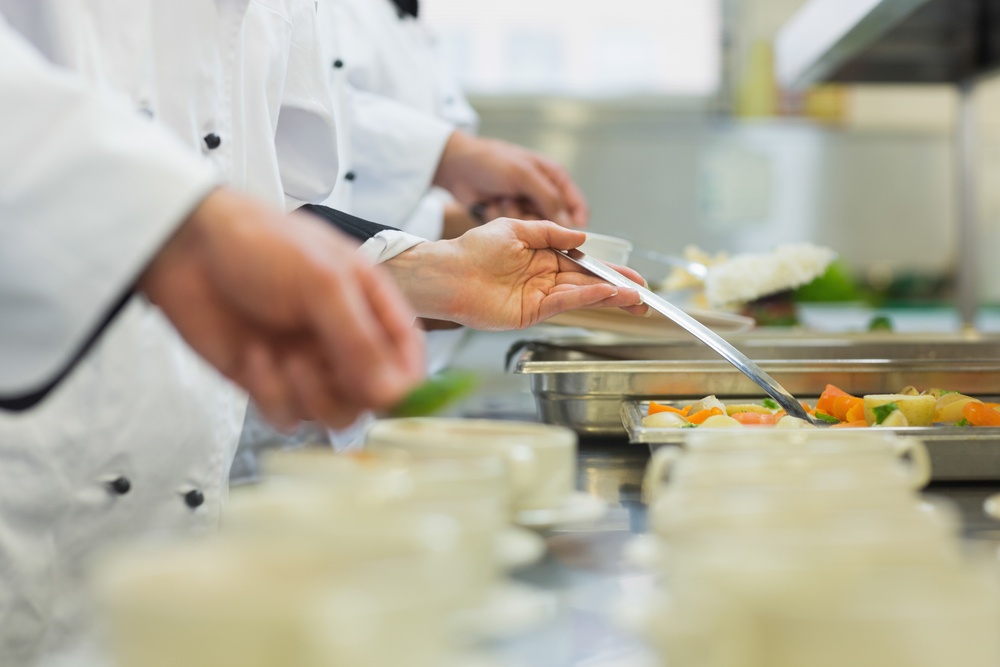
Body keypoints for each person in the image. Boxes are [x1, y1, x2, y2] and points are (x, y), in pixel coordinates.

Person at [0, 3, 645, 663]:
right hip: (35, 471)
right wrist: (185, 228)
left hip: (187, 484)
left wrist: (428, 269)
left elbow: (268, 203)